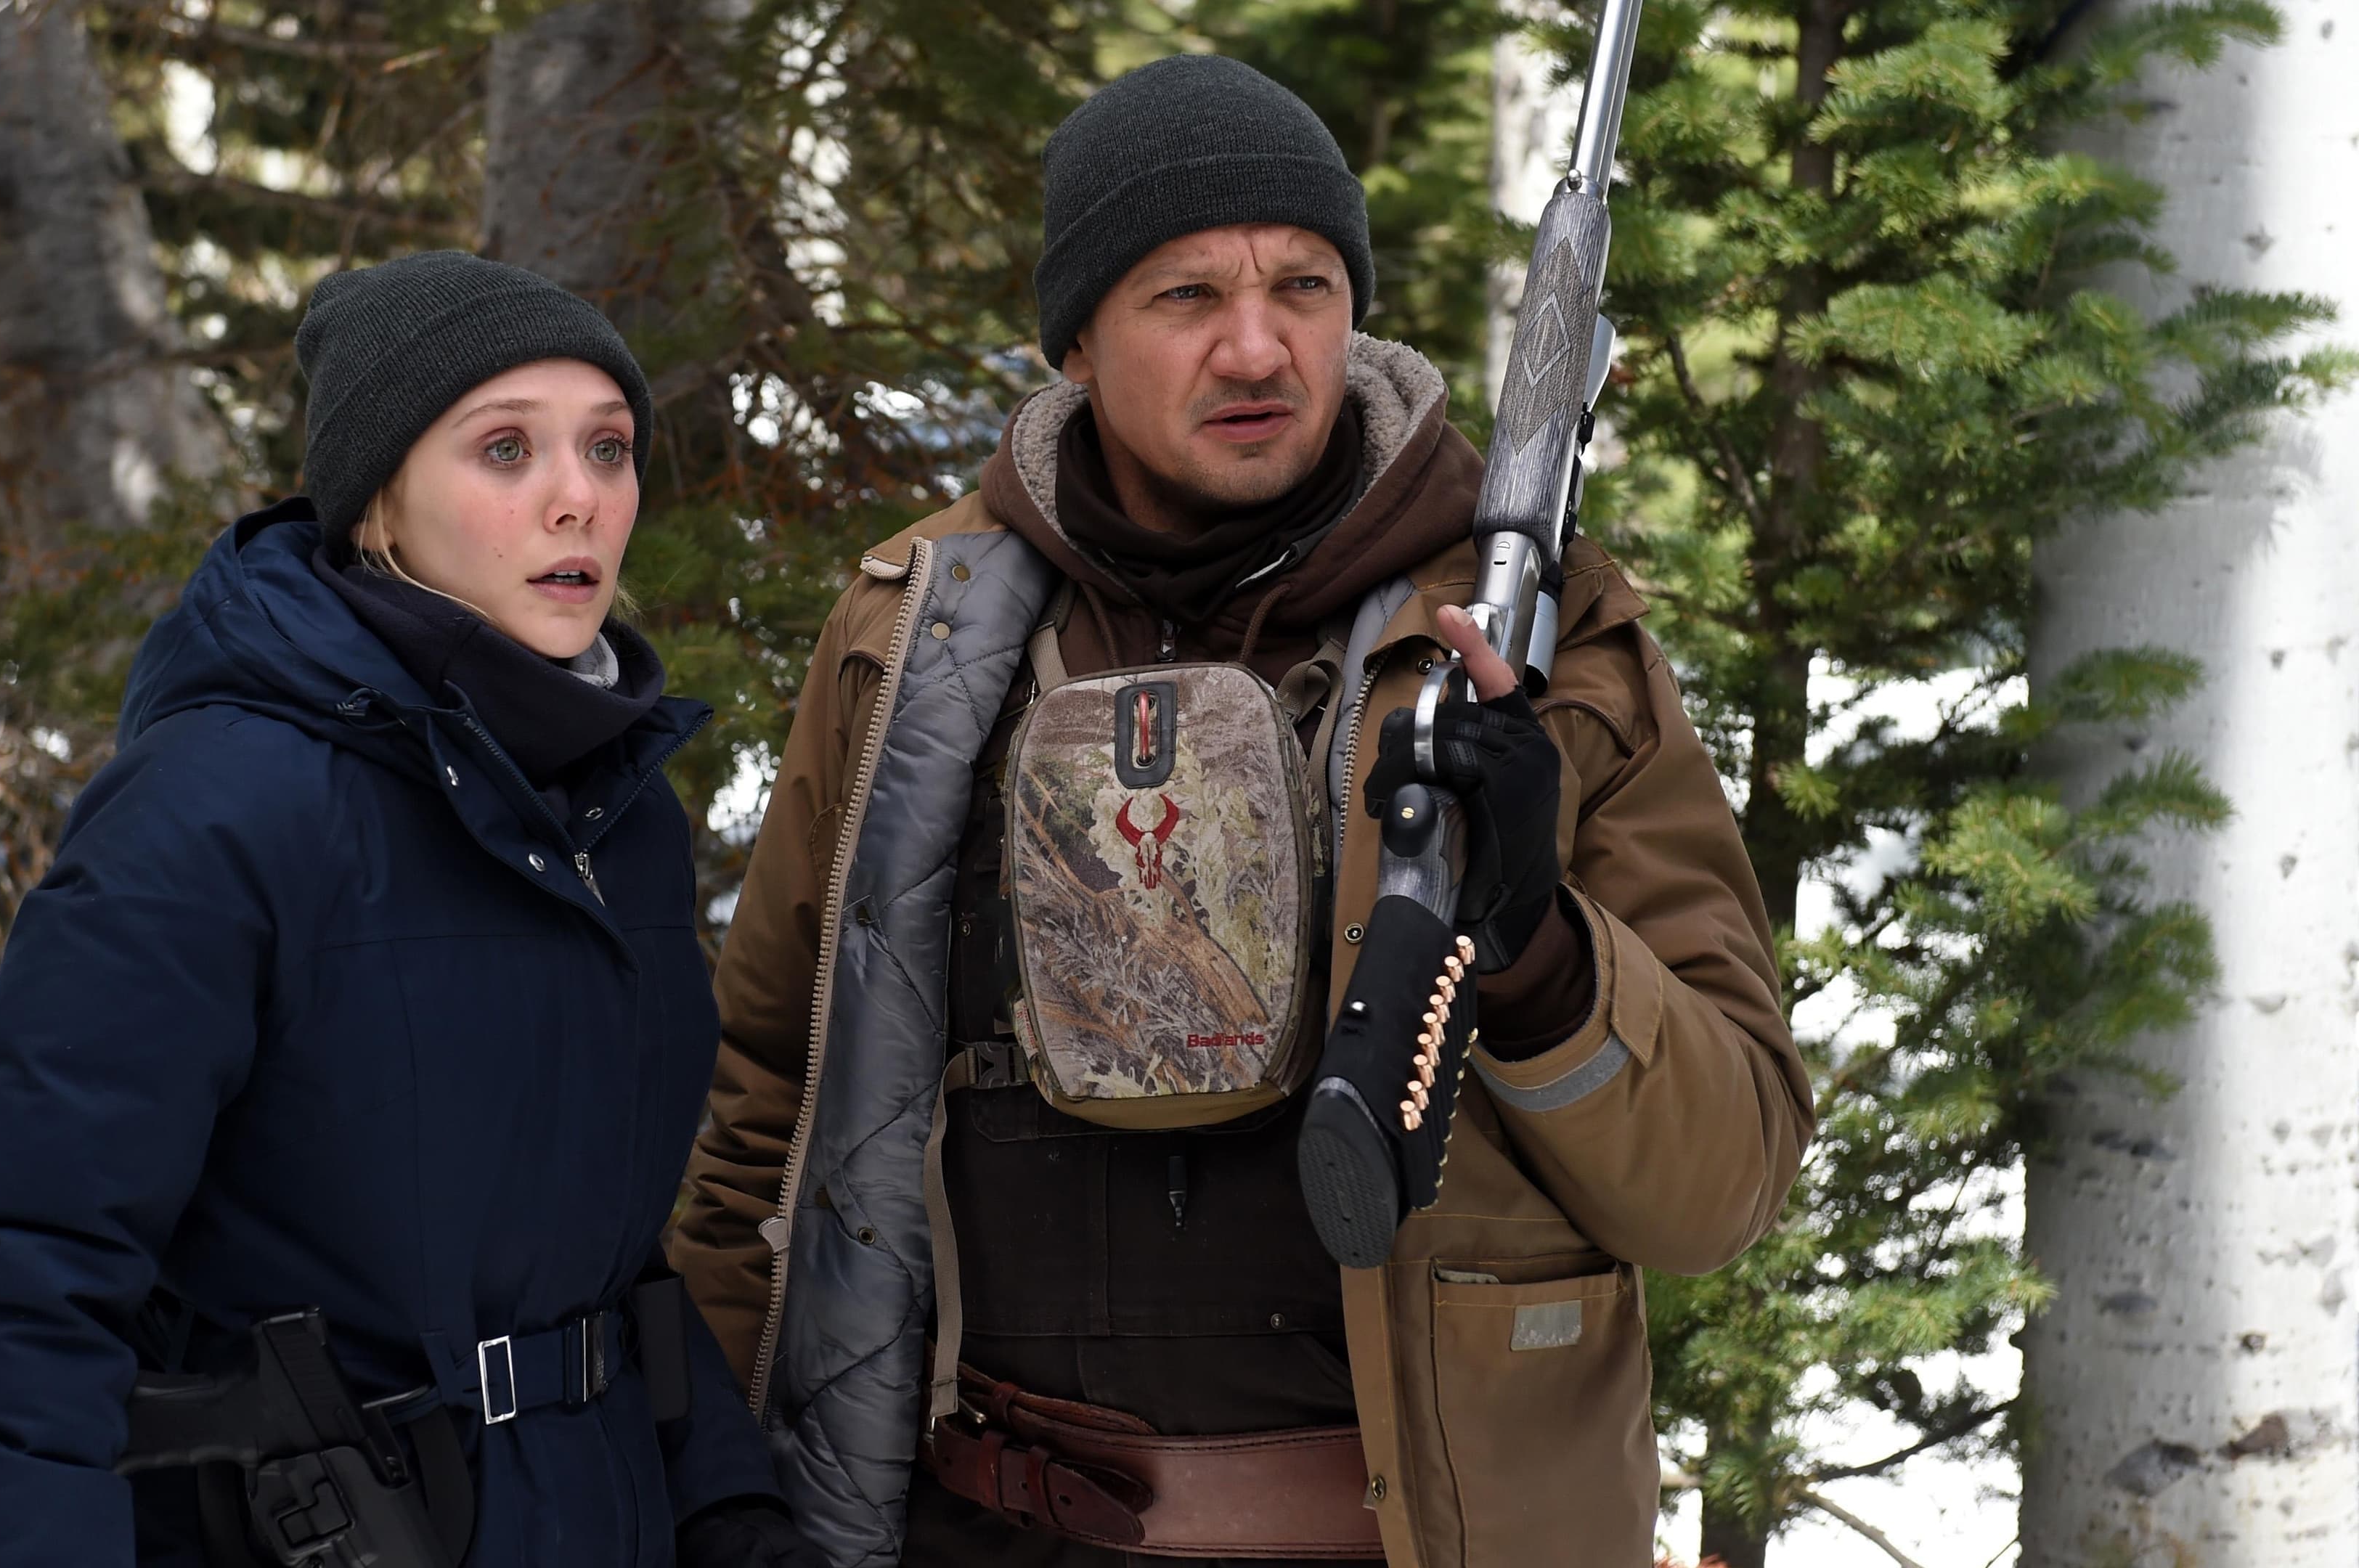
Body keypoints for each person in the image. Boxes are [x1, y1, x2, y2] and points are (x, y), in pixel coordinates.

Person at [672, 56, 1816, 1567]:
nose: (1259, 346)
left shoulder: (1535, 646)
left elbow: (1724, 1185)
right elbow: (763, 1112)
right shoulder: (916, 641)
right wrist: (715, 1496)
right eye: (1188, 295)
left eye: (1304, 288)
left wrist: (1539, 949)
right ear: (1077, 341)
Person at [0, 253, 821, 1568]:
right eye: (507, 449)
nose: (579, 498)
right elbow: (21, 1291)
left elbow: (605, 1268)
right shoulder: (215, 807)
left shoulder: (620, 815)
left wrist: (727, 1509)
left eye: (608, 449)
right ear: (378, 497)